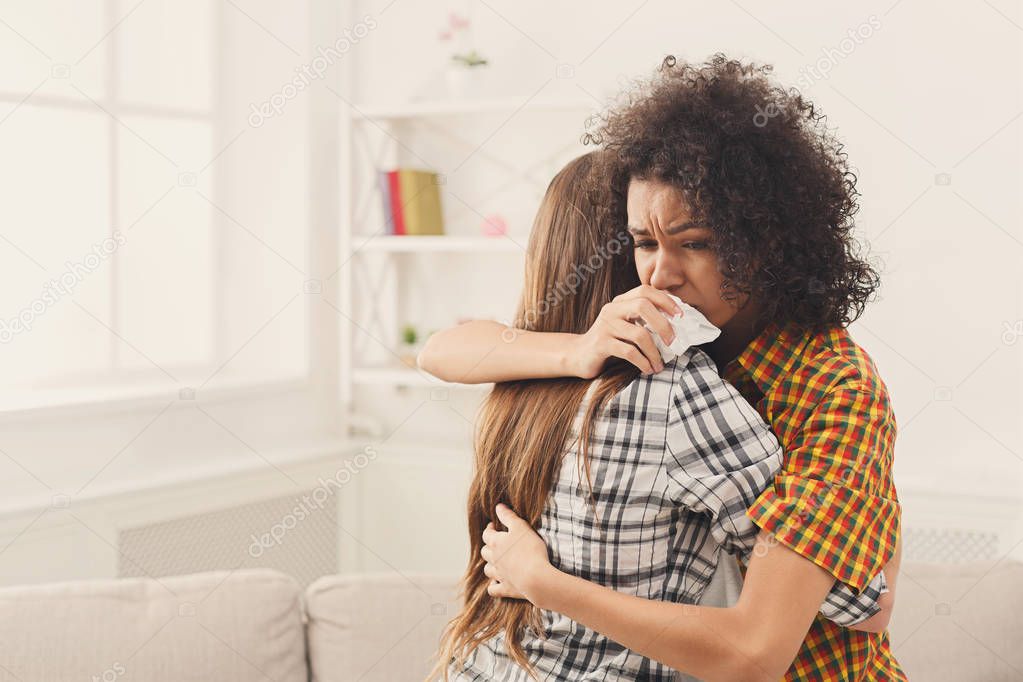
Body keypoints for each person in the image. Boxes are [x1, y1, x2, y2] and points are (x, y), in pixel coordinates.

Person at [421, 55, 904, 681]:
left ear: (768, 240)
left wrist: (543, 581)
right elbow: (442, 349)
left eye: (695, 243)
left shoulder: (833, 387)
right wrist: (575, 350)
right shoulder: (659, 353)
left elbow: (785, 640)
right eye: (645, 245)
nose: (659, 273)